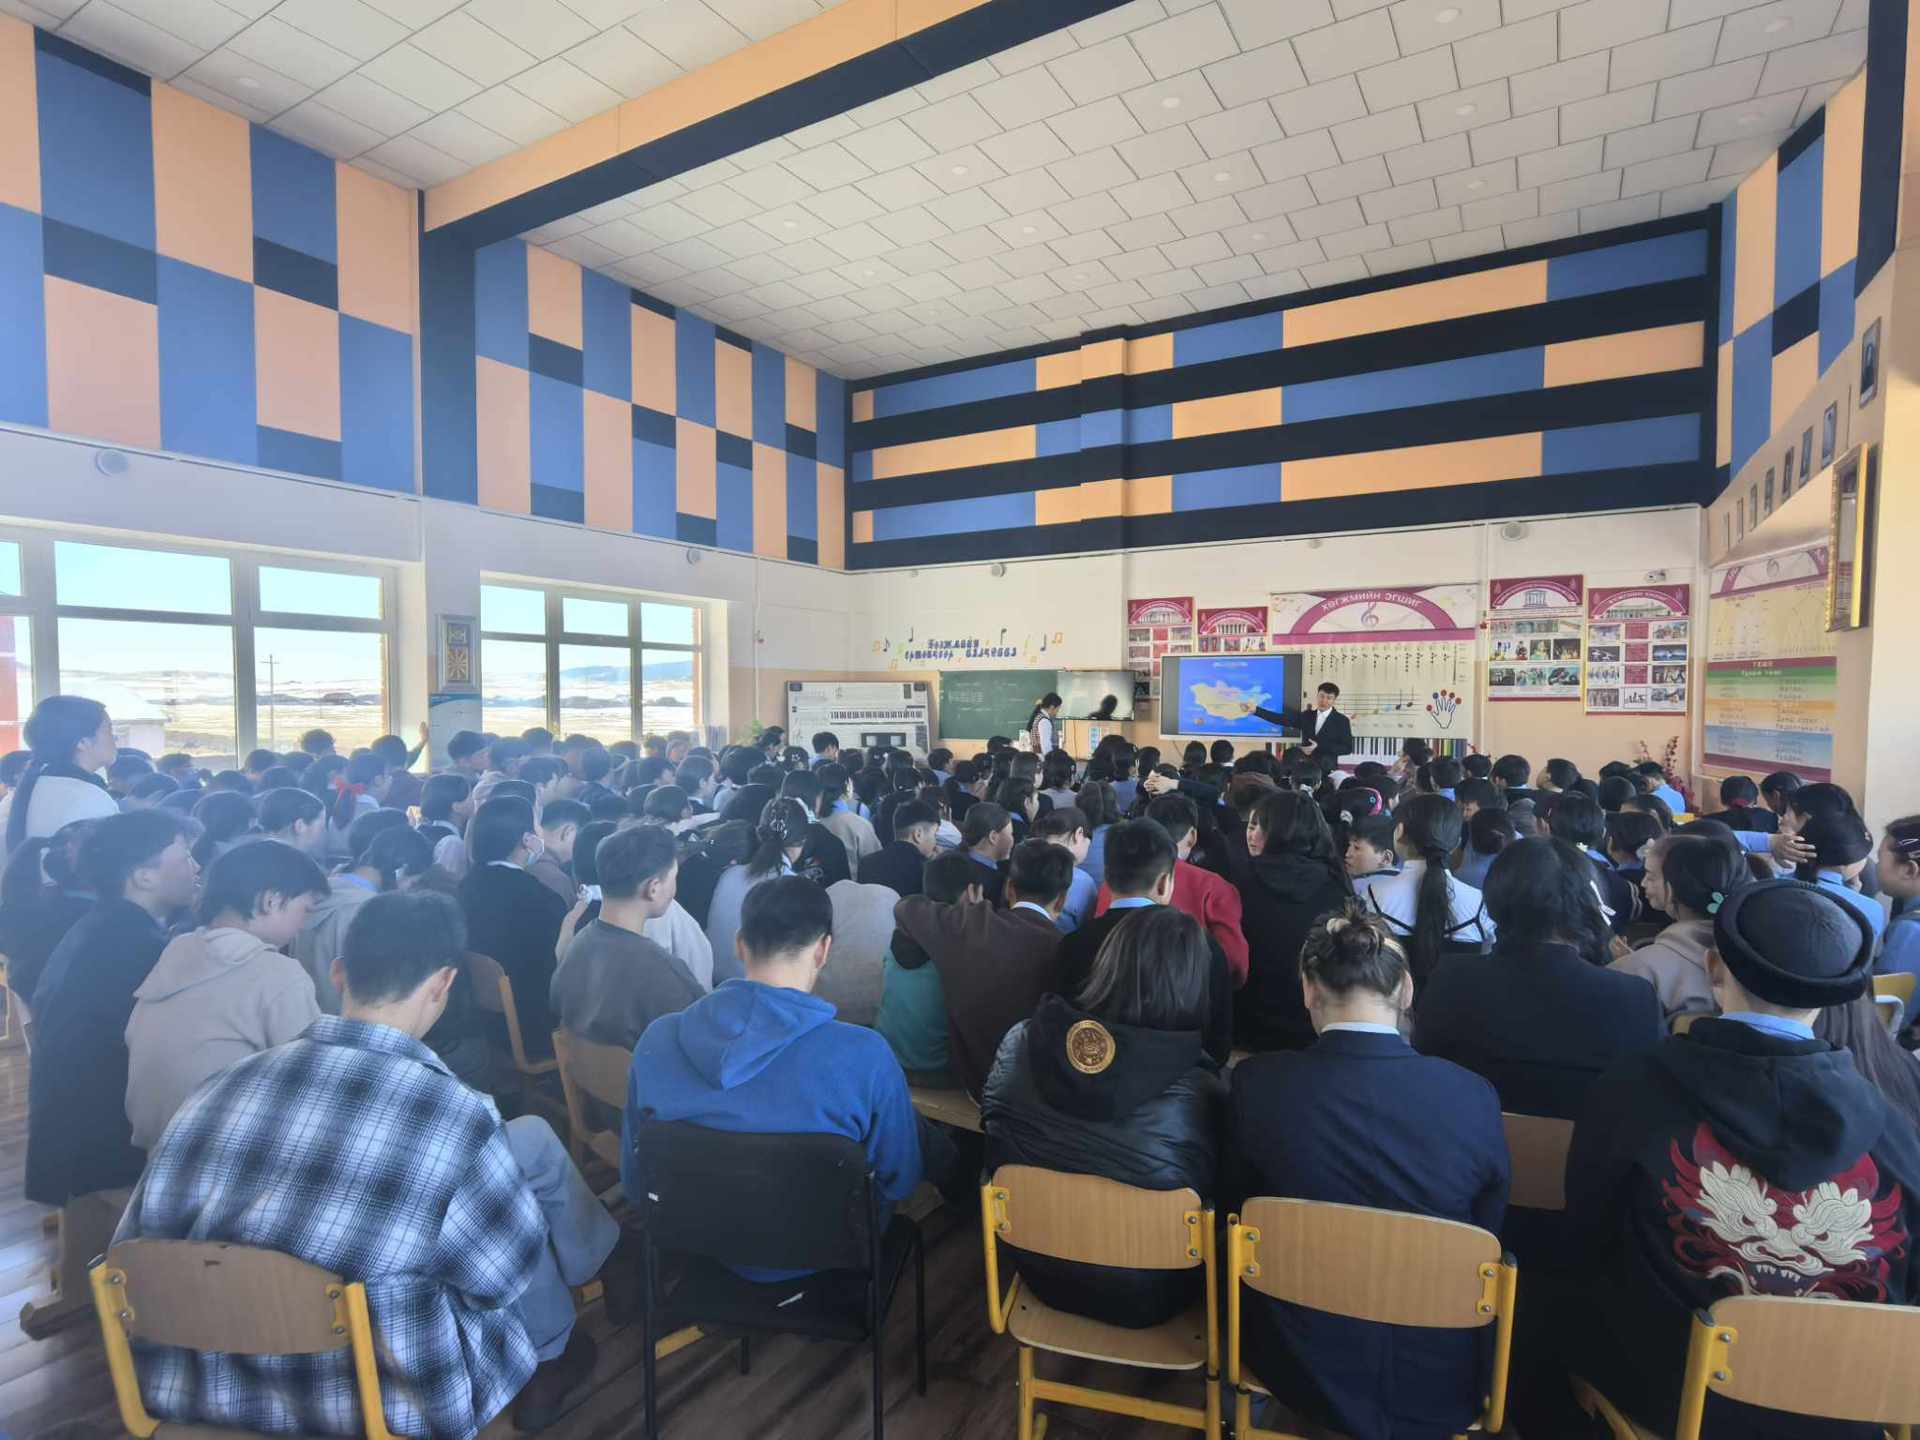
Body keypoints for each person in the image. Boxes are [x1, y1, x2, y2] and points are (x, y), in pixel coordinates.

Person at [116, 891, 622, 1436]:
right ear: (443, 985)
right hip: (382, 1403)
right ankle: (573, 1330)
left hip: (195, 1392)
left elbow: (130, 1257)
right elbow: (504, 1279)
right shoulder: (456, 1115)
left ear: (337, 974)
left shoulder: (216, 1089)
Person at [1566, 880, 1920, 1438]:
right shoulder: (1897, 1129)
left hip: (1674, 1396)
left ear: (1713, 968)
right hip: (1848, 1407)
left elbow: (1588, 1233)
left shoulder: (1630, 1090)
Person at [1230, 905, 1508, 1440]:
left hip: (1294, 1359)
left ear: (1308, 990)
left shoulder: (1257, 1084)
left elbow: (1237, 1213)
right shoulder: (1472, 1096)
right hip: (1438, 1371)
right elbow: (1488, 1234)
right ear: (1406, 990)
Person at [623, 876, 924, 1279]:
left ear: (739, 944)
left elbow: (635, 1180)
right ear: (823, 950)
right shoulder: (866, 1056)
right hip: (832, 1251)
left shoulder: (656, 1041)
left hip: (702, 1245)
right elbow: (900, 1179)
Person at [983, 906, 1225, 1328]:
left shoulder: (1020, 1040)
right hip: (1153, 1290)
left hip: (1037, 1265)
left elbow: (992, 1135)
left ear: (1107, 961)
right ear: (1193, 985)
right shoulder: (1202, 1091)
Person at [23, 813, 196, 1333]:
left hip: (73, 1107)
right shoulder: (135, 943)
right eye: (184, 856)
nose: (195, 867)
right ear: (143, 875)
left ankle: (81, 1288)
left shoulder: (107, 924)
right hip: (104, 1116)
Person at [1417, 839, 1662, 1119]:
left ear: (1496, 898)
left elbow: (1428, 1078)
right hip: (1591, 1145)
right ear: (1588, 903)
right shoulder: (1634, 997)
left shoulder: (1451, 980)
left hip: (1468, 1138)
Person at [124, 840, 330, 1150]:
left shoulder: (178, 950)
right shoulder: (278, 973)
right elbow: (312, 1081)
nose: (303, 925)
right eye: (305, 910)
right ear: (271, 901)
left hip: (157, 1146)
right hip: (223, 1153)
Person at [892, 839, 1073, 1097]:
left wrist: (971, 913)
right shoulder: (1067, 949)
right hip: (1032, 1095)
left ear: (1009, 889)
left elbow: (906, 908)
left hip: (975, 1085)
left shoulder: (972, 924)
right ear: (1062, 900)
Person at [1061, 819, 1232, 1064]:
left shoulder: (1071, 945)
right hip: (1181, 1077)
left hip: (1093, 1079)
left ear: (1107, 876)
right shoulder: (1204, 947)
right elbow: (1218, 1046)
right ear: (1164, 883)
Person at [549, 823, 699, 1057]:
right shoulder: (663, 970)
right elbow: (702, 1046)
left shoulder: (576, 942)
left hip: (584, 1075)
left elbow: (557, 1005)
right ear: (653, 888)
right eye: (674, 877)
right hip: (645, 1080)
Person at [1234, 790, 1352, 1051]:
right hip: (1317, 1023)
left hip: (1247, 1022)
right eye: (1251, 826)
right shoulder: (1338, 885)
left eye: (1260, 827)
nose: (1251, 835)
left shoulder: (1240, 880)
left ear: (1281, 833)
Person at [458, 796, 572, 1062]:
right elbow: (558, 970)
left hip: (485, 1023)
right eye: (537, 825)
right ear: (527, 839)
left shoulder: (468, 884)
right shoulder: (540, 899)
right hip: (536, 1026)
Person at [295, 825, 434, 1013]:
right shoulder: (369, 910)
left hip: (302, 1012)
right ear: (402, 869)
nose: (410, 889)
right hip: (342, 1017)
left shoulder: (320, 890)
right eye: (413, 881)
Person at [1611, 834, 1746, 1023]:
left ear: (1672, 889)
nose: (1643, 883)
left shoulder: (1635, 970)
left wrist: (1635, 963)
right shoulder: (1756, 954)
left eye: (1651, 876)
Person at [1365, 794, 1493, 986]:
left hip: (1390, 1002)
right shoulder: (1480, 903)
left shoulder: (1373, 896)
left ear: (1399, 831)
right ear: (1456, 843)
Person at [704, 797, 812, 982]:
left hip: (712, 979)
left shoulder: (729, 874)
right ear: (802, 842)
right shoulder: (795, 888)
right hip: (753, 988)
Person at [6, 696, 119, 849]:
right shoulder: (88, 796)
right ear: (82, 742)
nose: (115, 738)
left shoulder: (36, 784)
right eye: (109, 731)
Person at [1794, 807, 1885, 943]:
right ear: (1850, 860)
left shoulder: (1778, 883)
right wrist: (1852, 894)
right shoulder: (1871, 908)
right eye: (1864, 856)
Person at [1239, 682, 1353, 769]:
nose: (1324, 700)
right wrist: (1256, 710)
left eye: (1329, 698)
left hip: (1327, 769)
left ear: (1334, 700)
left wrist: (1318, 746)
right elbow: (1281, 720)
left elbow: (1347, 748)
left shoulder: (1342, 721)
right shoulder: (1307, 715)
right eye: (1321, 696)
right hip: (1303, 768)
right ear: (1317, 696)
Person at [1033, 805, 1099, 932]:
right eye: (1088, 840)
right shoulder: (1083, 882)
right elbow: (1087, 928)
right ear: (1079, 834)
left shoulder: (1026, 863)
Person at [858, 799, 937, 897]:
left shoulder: (866, 864)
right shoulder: (927, 871)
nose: (935, 843)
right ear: (918, 834)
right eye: (934, 834)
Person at [813, 761, 881, 872]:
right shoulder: (859, 824)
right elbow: (875, 863)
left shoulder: (811, 821)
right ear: (847, 785)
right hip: (853, 882)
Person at [1876, 816, 1920, 981]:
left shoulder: (1909, 931)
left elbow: (1886, 998)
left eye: (1880, 859)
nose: (1876, 866)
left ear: (1909, 870)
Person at [959, 800, 1014, 906]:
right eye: (1011, 834)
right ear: (993, 837)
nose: (1013, 839)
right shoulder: (998, 884)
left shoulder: (947, 860)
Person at [1025, 692, 1063, 757]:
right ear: (1052, 707)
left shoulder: (1038, 716)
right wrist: (1050, 760)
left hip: (1038, 757)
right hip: (1043, 758)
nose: (1057, 712)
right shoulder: (1044, 721)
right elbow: (1046, 745)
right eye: (1057, 709)